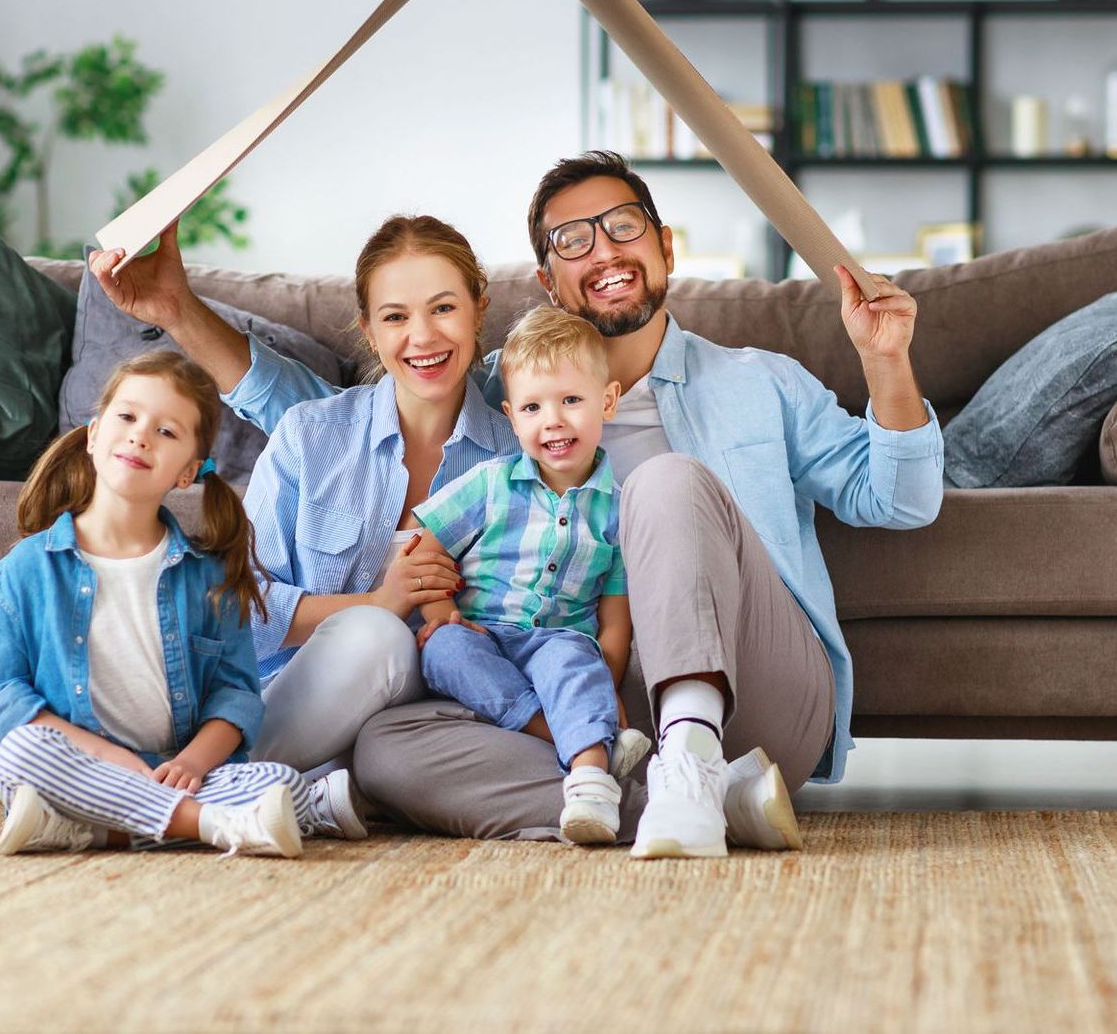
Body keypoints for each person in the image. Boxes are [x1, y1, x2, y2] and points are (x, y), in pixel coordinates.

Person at [354, 150, 944, 856]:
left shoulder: (758, 382)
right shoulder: (500, 398)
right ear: (548, 281)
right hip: (588, 705)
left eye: (624, 226)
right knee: (385, 749)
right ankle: (697, 801)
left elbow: (901, 502)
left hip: (758, 687)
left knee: (665, 482)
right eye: (573, 240)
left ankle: (694, 755)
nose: (604, 250)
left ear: (664, 247)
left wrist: (885, 361)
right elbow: (361, 416)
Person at [89, 215, 518, 774]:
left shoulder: (516, 458)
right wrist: (375, 604)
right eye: (395, 317)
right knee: (376, 635)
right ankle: (222, 780)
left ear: (478, 308)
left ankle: (235, 787)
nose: (423, 336)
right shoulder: (311, 434)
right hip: (295, 700)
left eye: (443, 308)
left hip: (427, 719)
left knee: (395, 683)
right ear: (368, 330)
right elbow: (242, 607)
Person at [0, 351, 365, 857]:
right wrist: (106, 756)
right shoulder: (24, 572)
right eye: (127, 417)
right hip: (75, 766)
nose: (140, 436)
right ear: (93, 434)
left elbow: (234, 696)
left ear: (187, 472)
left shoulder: (208, 578)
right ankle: (216, 824)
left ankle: (94, 829)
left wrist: (194, 763)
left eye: (167, 432)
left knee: (273, 778)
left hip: (173, 769)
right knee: (20, 754)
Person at [412, 306, 651, 844]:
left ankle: (590, 781)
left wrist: (601, 673)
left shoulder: (618, 508)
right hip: (484, 635)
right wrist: (441, 617)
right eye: (533, 407)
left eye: (571, 400)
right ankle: (578, 737)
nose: (554, 420)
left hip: (559, 641)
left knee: (575, 660)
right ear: (512, 417)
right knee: (444, 651)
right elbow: (425, 549)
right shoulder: (490, 483)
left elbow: (616, 615)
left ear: (607, 401)